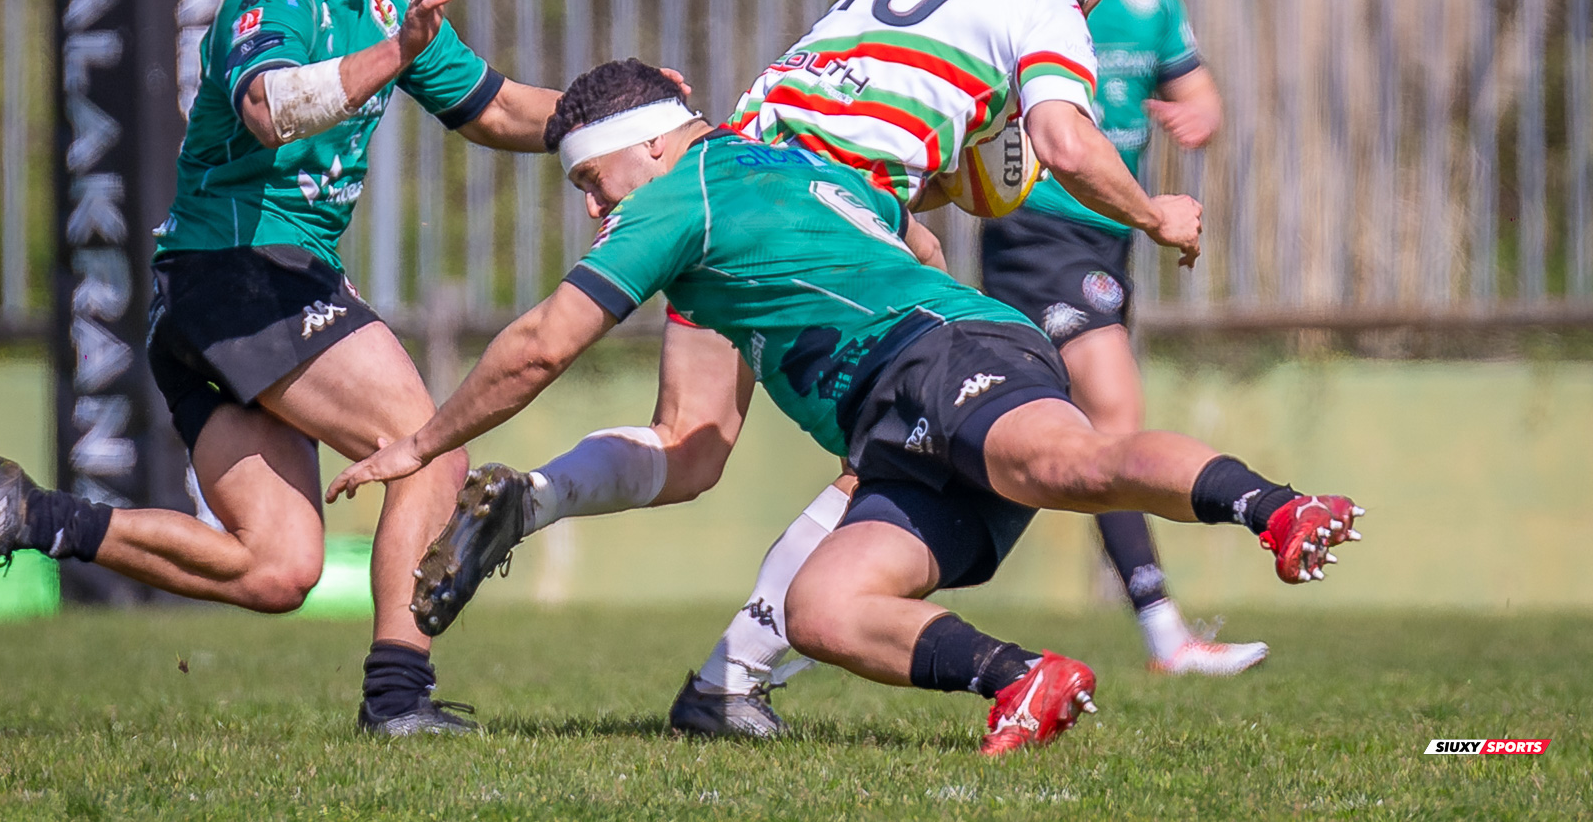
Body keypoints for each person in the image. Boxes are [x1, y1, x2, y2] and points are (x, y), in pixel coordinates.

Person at [325, 59, 1363, 757]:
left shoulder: (679, 195)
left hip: (937, 358)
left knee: (1070, 464)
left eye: (594, 181)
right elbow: (914, 236)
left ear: (649, 146)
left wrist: (422, 442)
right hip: (898, 417)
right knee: (821, 610)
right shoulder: (781, 162)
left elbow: (542, 344)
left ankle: (1276, 507)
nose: (596, 207)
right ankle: (1023, 677)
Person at [396, 0, 1206, 736]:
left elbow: (907, 149)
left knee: (689, 443)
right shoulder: (1039, 3)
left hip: (729, 177)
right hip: (816, 223)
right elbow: (1047, 149)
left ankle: (542, 498)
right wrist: (1154, 213)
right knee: (886, 456)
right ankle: (728, 684)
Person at [0, 0, 564, 737]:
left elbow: (499, 110)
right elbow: (270, 109)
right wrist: (398, 52)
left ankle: (37, 515)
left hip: (215, 299)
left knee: (278, 566)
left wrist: (628, 119)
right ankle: (398, 700)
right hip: (242, 275)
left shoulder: (388, 1)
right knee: (427, 444)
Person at [980, 0, 1249, 675]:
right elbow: (1051, 139)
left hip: (1110, 231)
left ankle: (804, 615)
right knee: (1111, 417)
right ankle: (1167, 634)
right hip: (1038, 227)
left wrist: (1197, 117)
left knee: (1009, 437)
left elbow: (1198, 93)